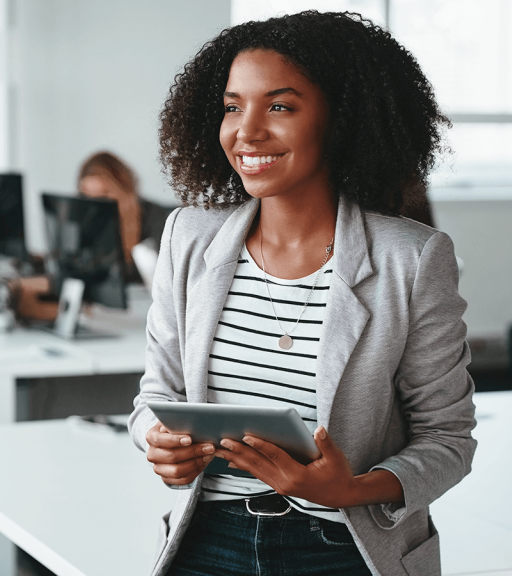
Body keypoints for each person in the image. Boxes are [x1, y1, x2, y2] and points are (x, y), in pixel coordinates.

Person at [128, 12, 476, 576]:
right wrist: (157, 441)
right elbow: (154, 396)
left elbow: (449, 440)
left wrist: (354, 488)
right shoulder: (188, 236)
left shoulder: (410, 259)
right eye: (233, 106)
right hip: (208, 542)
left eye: (280, 106)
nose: (247, 131)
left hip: (343, 551)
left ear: (341, 121)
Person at [77, 151, 170, 283]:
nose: (97, 207)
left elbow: (150, 276)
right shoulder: (89, 222)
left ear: (123, 189)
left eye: (104, 196)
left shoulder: (153, 216)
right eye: (89, 198)